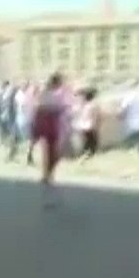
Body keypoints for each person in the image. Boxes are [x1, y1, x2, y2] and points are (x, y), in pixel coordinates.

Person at [32, 73, 70, 207]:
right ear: (57, 82)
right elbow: (44, 109)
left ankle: (47, 174)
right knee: (52, 151)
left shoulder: (52, 93)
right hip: (53, 125)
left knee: (50, 151)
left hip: (52, 125)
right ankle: (48, 175)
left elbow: (39, 109)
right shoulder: (50, 94)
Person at [73, 87, 101, 160]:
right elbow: (95, 118)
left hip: (83, 127)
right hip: (90, 127)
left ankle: (85, 156)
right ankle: (88, 156)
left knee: (86, 144)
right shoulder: (93, 105)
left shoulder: (83, 106)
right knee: (92, 145)